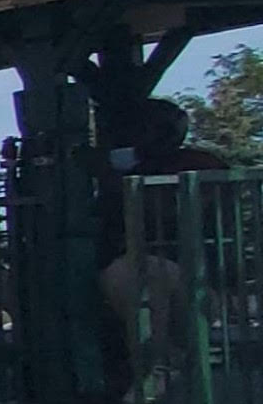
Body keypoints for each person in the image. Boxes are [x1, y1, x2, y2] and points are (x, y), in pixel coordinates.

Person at [97, 98, 229, 385]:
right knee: (133, 272)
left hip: (193, 282)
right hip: (114, 278)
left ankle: (158, 365)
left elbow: (180, 210)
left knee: (146, 272)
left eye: (152, 129)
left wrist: (133, 170)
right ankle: (160, 364)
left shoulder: (199, 165)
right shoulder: (110, 169)